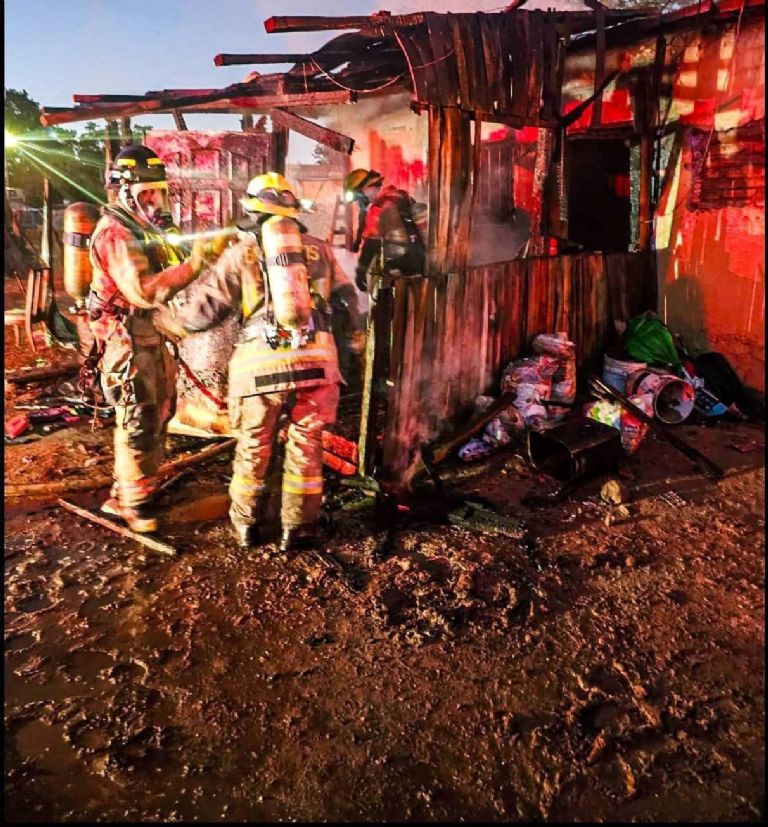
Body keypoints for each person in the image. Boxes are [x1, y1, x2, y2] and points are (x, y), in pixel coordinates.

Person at [156, 172, 361, 552]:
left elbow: (204, 312)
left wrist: (166, 322)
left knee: (254, 443)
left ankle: (248, 525)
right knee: (307, 443)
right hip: (318, 360)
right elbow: (349, 304)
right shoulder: (320, 249)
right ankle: (297, 529)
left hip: (259, 365)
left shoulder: (240, 253)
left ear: (252, 211)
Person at [87, 145, 207, 533]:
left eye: (158, 192)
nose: (155, 201)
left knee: (159, 411)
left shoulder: (140, 228)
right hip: (126, 337)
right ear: (123, 190)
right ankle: (133, 506)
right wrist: (196, 263)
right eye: (147, 193)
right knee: (138, 415)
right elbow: (141, 290)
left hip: (147, 333)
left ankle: (131, 489)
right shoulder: (116, 233)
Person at [342, 169, 425, 293]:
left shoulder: (378, 207)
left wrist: (361, 271)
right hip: (420, 262)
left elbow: (372, 243)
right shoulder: (401, 195)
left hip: (400, 269)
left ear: (366, 188)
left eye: (358, 196)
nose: (359, 201)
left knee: (387, 302)